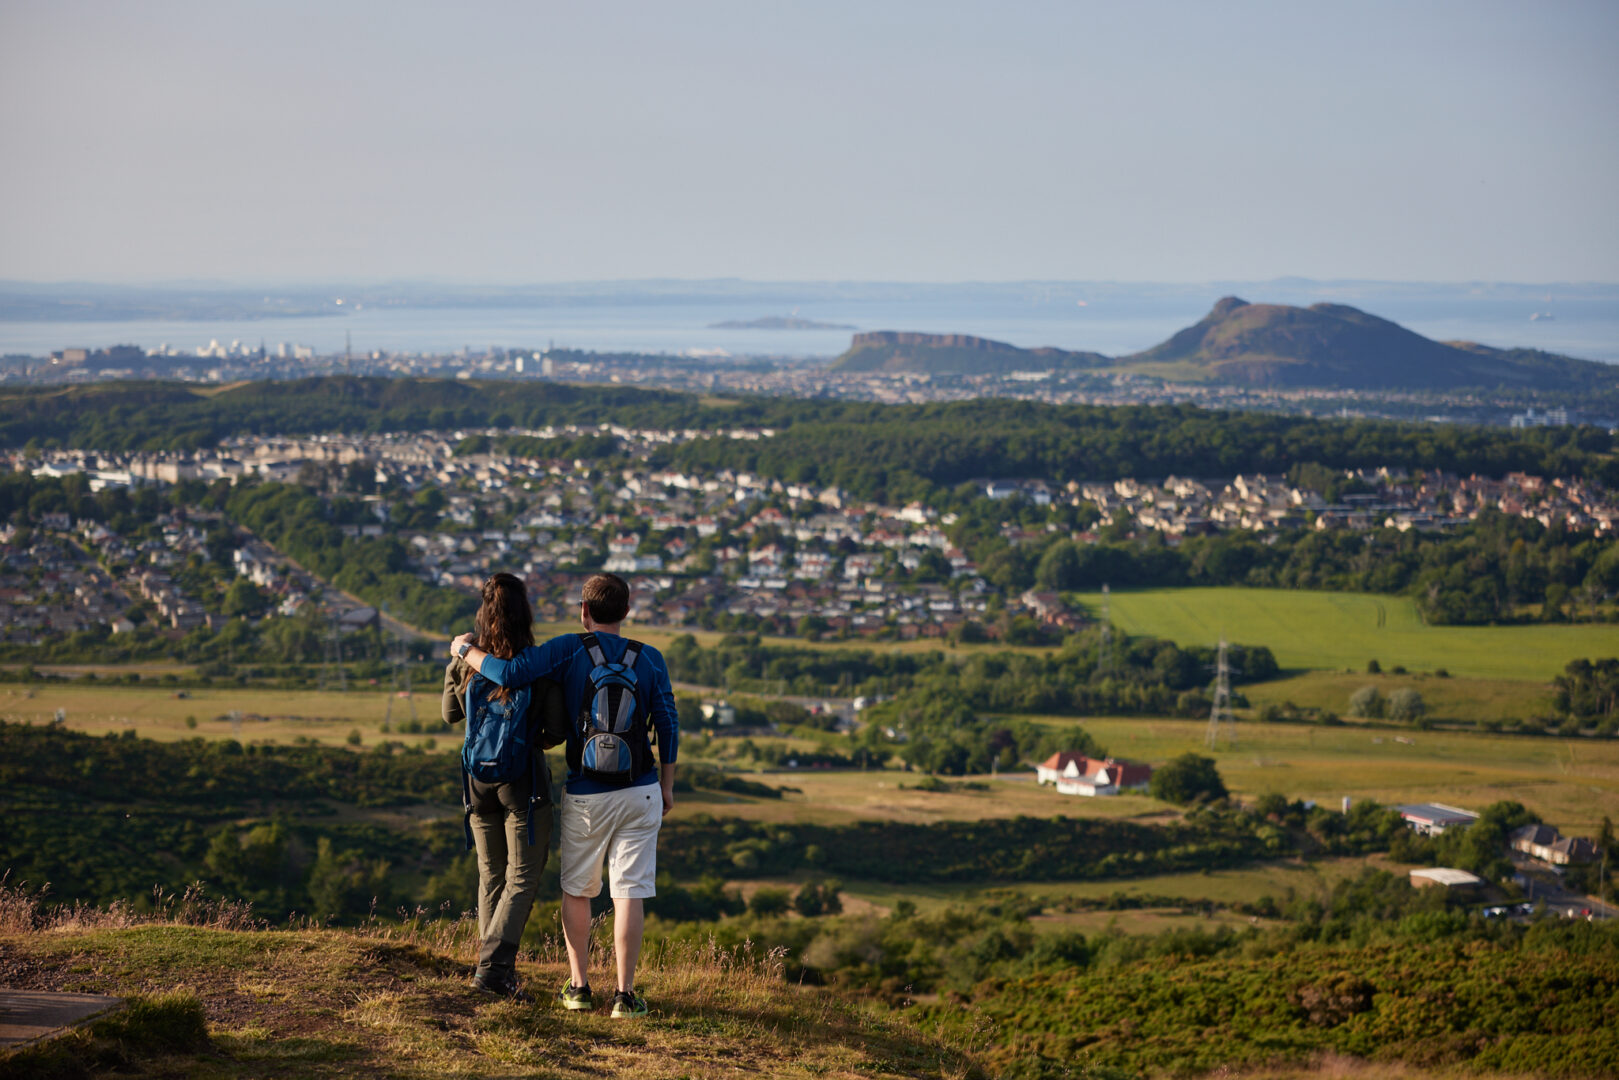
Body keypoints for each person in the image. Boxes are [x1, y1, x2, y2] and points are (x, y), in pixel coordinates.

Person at [452, 572, 677, 1019]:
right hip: (641, 790)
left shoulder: (568, 648)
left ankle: (578, 988)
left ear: (584, 611)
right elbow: (667, 725)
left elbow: (509, 673)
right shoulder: (650, 658)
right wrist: (667, 786)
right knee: (628, 892)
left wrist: (463, 650)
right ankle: (625, 997)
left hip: (586, 791)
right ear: (626, 612)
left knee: (578, 890)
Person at [442, 572, 565, 1001]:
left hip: (476, 781)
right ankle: (493, 972)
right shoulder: (536, 663)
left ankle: (491, 971)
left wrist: (455, 661)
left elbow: (450, 715)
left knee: (491, 874)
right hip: (523, 782)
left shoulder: (465, 656)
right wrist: (528, 742)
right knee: (523, 875)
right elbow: (556, 729)